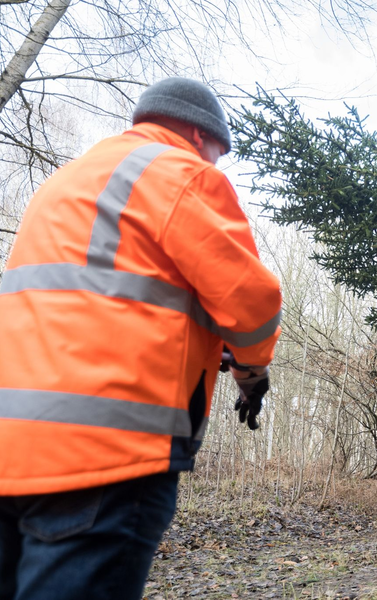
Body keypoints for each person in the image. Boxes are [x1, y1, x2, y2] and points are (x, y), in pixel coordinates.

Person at [0, 77, 282, 600]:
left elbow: (101, 301)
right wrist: (250, 370)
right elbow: (252, 299)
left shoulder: (69, 181)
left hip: (11, 449)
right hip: (106, 450)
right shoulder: (181, 171)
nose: (217, 164)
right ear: (200, 136)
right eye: (220, 152)